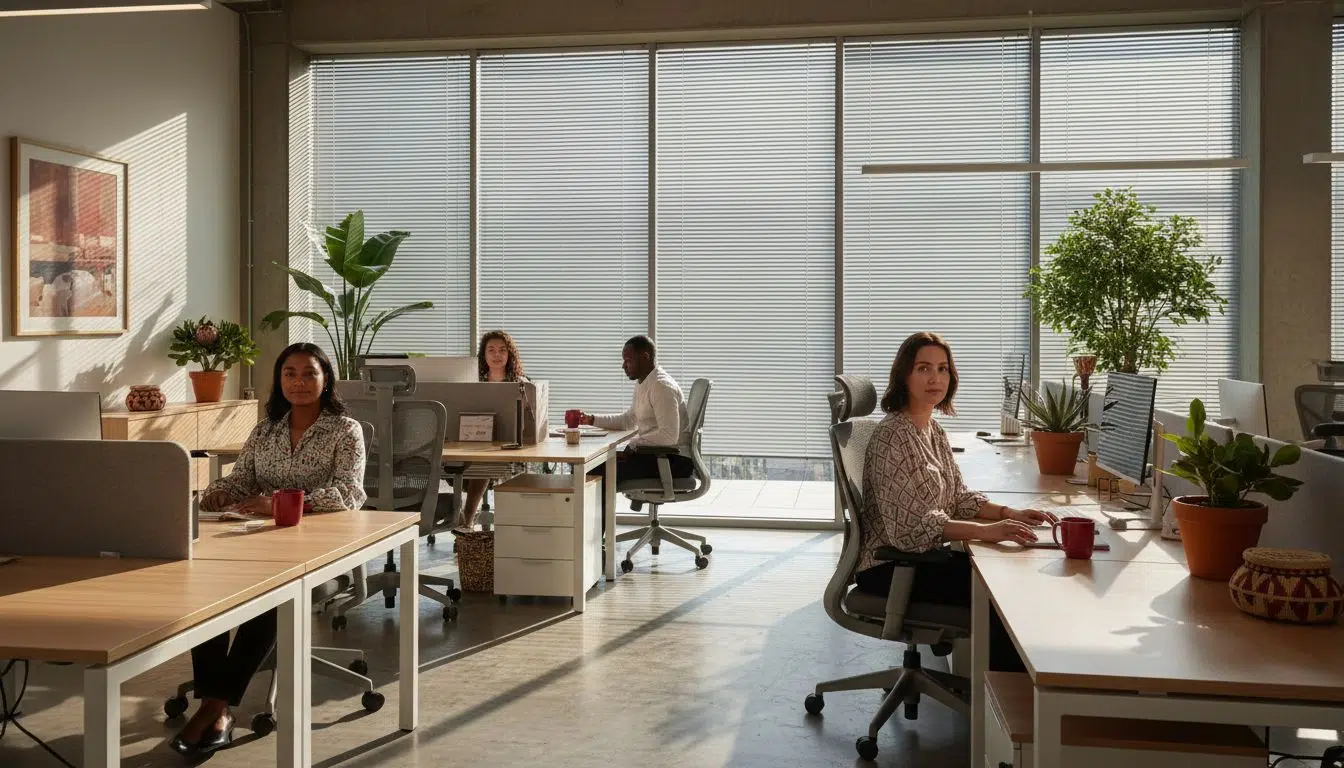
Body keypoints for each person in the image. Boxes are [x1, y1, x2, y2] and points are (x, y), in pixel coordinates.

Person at [170, 342, 367, 758]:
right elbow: (241, 479)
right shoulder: (265, 430)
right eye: (289, 373)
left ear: (326, 379)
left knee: (272, 598)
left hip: (321, 551)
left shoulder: (345, 430)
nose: (299, 382)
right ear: (279, 380)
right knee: (208, 594)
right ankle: (216, 704)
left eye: (309, 373)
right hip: (258, 543)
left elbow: (349, 494)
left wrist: (278, 503)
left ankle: (215, 708)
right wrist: (219, 492)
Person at [857, 331, 1056, 673]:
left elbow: (957, 497)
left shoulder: (932, 430)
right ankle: (1004, 698)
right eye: (923, 368)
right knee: (1002, 591)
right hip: (889, 567)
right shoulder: (894, 435)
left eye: (942, 369)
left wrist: (1009, 513)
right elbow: (909, 531)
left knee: (1009, 573)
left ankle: (1009, 692)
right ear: (904, 375)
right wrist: (988, 531)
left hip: (918, 558)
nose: (935, 378)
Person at [577, 335, 692, 484]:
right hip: (656, 455)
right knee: (588, 466)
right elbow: (629, 420)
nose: (623, 366)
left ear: (645, 357)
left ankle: (598, 500)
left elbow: (669, 435)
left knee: (590, 471)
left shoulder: (661, 386)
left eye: (628, 360)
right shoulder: (644, 382)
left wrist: (634, 443)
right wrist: (592, 420)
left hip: (673, 461)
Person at [457, 330, 528, 531]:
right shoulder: (473, 382)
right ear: (484, 354)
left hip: (509, 445)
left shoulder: (520, 383)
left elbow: (529, 420)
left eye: (502, 350)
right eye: (491, 350)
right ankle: (463, 521)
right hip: (476, 441)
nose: (497, 355)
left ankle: (469, 520)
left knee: (485, 462)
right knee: (474, 461)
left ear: (509, 354)